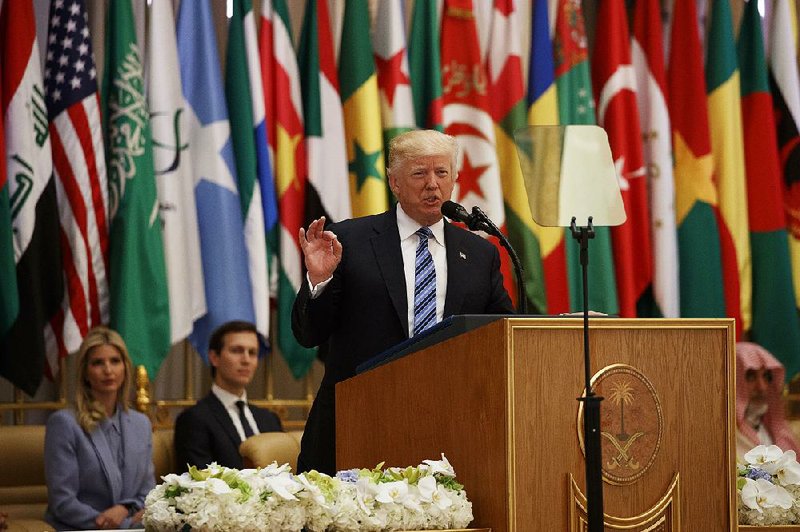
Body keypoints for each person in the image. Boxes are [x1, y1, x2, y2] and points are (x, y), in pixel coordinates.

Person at [292, 129, 514, 475]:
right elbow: (309, 335)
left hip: (450, 427)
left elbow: (501, 336)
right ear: (394, 182)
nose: (432, 184)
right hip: (359, 422)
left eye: (441, 173)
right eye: (419, 173)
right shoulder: (349, 240)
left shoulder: (479, 252)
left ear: (454, 179)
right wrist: (319, 281)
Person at [44, 326, 154, 530]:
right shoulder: (64, 423)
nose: (108, 370)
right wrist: (125, 524)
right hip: (82, 528)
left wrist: (124, 508)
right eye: (97, 363)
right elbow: (62, 502)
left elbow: (147, 493)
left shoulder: (141, 424)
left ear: (125, 368)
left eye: (115, 361)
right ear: (85, 372)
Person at [174, 320, 283, 470]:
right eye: (237, 350)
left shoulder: (270, 420)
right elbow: (200, 484)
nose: (246, 360)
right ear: (214, 357)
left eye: (252, 353)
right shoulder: (194, 420)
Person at [736, 341, 799, 458]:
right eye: (750, 377)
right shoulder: (726, 438)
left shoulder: (775, 432)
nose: (762, 387)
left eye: (766, 377)